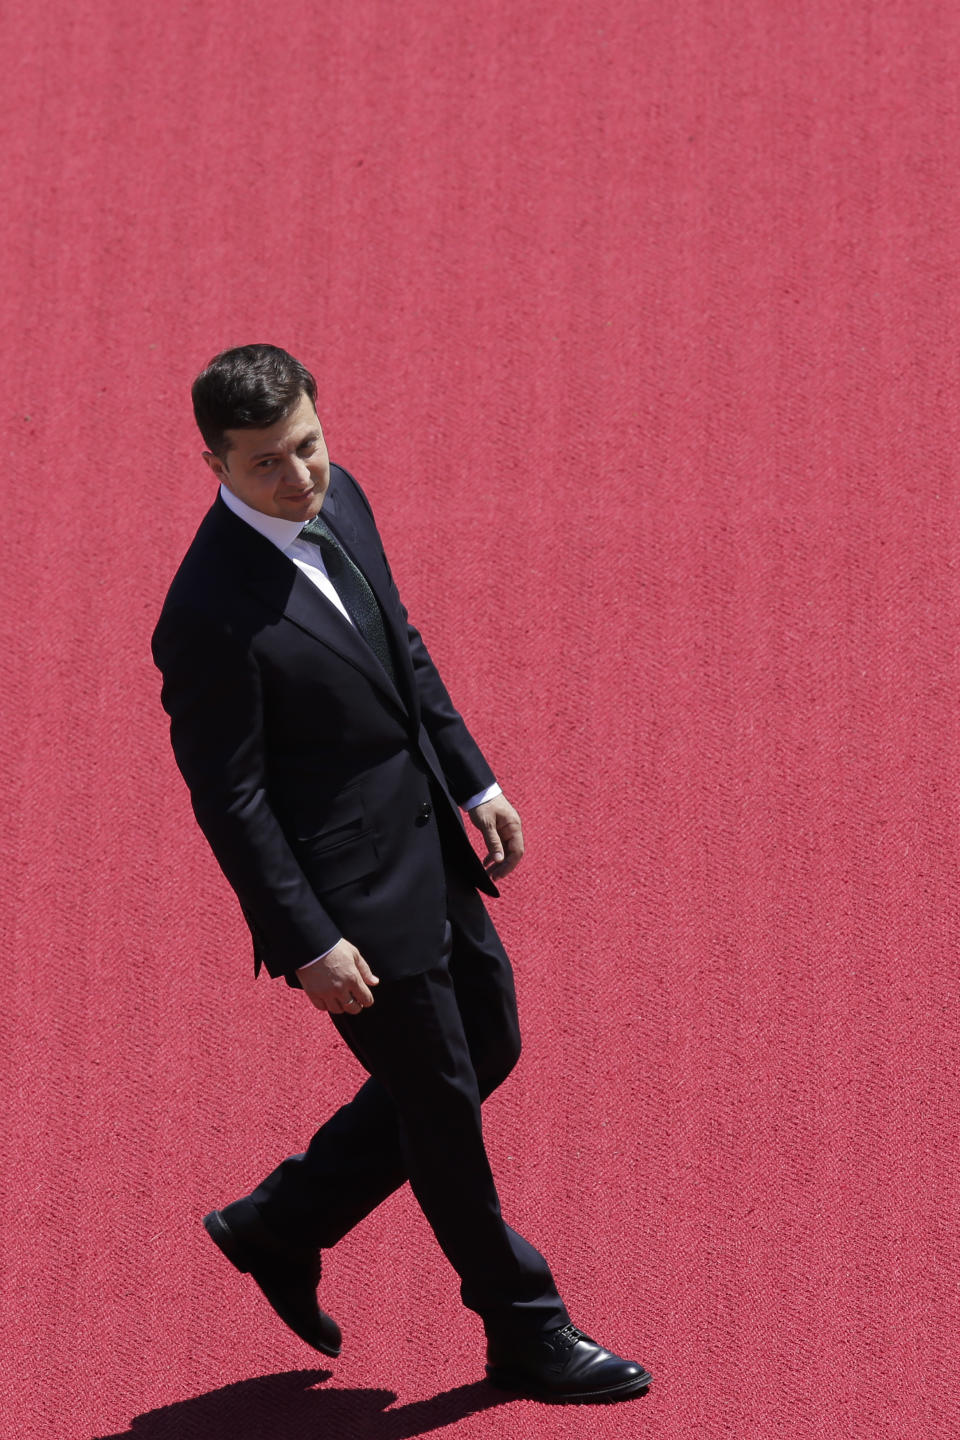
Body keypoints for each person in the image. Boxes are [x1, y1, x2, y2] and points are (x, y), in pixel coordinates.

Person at [151, 344, 652, 1403]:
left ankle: (280, 1222)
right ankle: (525, 1326)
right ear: (213, 465)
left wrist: (475, 782)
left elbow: (400, 649)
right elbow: (230, 802)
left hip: (428, 842)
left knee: (492, 1044)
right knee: (441, 1108)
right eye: (266, 466)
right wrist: (309, 943)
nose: (299, 479)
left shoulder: (345, 501)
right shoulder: (204, 615)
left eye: (308, 447)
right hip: (348, 907)